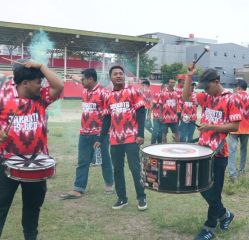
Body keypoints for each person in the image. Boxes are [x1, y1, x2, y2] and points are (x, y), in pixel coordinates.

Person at [0, 60, 63, 240]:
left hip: (37, 164)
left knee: (32, 207)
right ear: (25, 83)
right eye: (38, 81)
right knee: (1, 206)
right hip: (5, 162)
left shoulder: (41, 96)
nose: (41, 85)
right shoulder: (3, 95)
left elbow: (58, 85)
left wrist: (41, 66)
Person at [183, 67, 241, 240]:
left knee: (214, 191)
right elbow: (185, 97)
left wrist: (211, 127)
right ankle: (225, 214)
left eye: (207, 87)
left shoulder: (232, 99)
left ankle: (209, 227)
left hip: (219, 153)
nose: (204, 90)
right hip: (202, 151)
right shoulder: (206, 97)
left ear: (217, 82)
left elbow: (235, 126)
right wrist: (189, 75)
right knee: (200, 186)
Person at [94, 65, 147, 210]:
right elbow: (106, 119)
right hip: (115, 140)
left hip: (131, 138)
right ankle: (122, 198)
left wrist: (140, 134)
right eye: (115, 74)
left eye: (120, 73)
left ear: (124, 76)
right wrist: (100, 138)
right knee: (117, 170)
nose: (118, 76)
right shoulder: (107, 96)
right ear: (110, 78)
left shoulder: (133, 91)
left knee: (135, 169)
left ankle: (141, 198)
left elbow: (142, 113)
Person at [60, 68, 114, 200]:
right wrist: (72, 76)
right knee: (82, 161)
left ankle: (109, 184)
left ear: (90, 79)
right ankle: (78, 188)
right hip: (84, 133)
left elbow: (110, 115)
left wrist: (103, 135)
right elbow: (78, 79)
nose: (81, 81)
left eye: (83, 79)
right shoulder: (85, 89)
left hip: (99, 135)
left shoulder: (104, 93)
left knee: (104, 160)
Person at [228, 80, 249, 180]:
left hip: (233, 128)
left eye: (236, 87)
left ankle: (232, 173)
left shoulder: (232, 97)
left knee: (232, 150)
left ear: (239, 87)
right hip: (246, 128)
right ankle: (242, 169)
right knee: (243, 149)